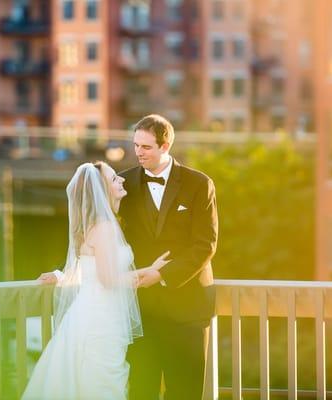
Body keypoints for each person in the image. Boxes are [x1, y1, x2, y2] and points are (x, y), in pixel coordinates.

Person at [22, 161, 170, 400]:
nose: (121, 180)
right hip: (101, 319)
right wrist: (151, 271)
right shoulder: (104, 228)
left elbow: (89, 268)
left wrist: (61, 275)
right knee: (102, 384)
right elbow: (109, 279)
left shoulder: (95, 225)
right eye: (114, 179)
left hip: (93, 312)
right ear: (102, 190)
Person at [119, 114, 219, 400]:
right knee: (141, 391)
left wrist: (162, 275)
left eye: (146, 147)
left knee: (185, 393)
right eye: (136, 145)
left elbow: (206, 244)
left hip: (186, 310)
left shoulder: (199, 184)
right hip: (141, 313)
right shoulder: (122, 184)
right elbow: (101, 237)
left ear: (165, 146)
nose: (138, 152)